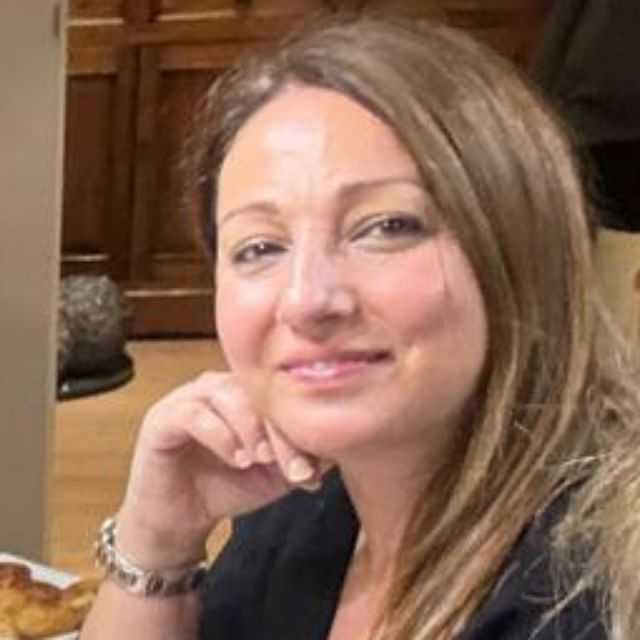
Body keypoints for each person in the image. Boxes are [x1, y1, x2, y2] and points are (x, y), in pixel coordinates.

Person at [80, 15, 613, 640]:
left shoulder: (593, 593)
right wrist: (157, 541)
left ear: (522, 246)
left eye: (386, 228)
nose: (307, 300)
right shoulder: (304, 507)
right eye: (259, 247)